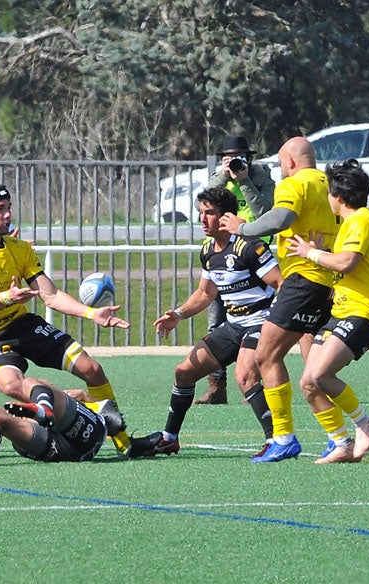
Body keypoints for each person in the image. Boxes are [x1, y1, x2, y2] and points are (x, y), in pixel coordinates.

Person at [0, 183, 150, 458]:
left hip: (25, 325)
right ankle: (92, 409)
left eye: (9, 209)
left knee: (91, 368)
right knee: (10, 385)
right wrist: (9, 296)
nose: (7, 216)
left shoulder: (20, 249)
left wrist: (92, 314)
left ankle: (124, 443)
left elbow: (51, 295)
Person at [134, 187, 281, 457]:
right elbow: (205, 293)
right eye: (200, 213)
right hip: (234, 325)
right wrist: (177, 314)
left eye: (209, 213)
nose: (202, 220)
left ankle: (276, 440)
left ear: (226, 217)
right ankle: (169, 438)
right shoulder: (208, 251)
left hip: (260, 322)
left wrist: (276, 325)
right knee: (184, 372)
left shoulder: (249, 246)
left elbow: (281, 285)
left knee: (244, 376)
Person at [220, 136, 340, 463]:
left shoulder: (293, 183)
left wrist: (243, 228)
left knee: (265, 356)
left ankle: (285, 436)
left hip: (301, 281)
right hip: (326, 280)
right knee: (313, 372)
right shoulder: (329, 185)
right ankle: (341, 434)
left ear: (289, 162)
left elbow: (281, 219)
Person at [285, 159, 369, 463]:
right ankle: (341, 443)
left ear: (338, 197)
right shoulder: (347, 224)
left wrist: (311, 253)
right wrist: (321, 252)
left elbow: (347, 263)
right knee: (307, 382)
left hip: (363, 313)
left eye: (328, 192)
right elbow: (341, 261)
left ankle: (366, 424)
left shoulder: (362, 220)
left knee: (321, 374)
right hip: (340, 313)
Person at [197, 136, 276, 405]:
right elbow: (204, 202)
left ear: (250, 158)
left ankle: (256, 381)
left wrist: (244, 180)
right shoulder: (218, 179)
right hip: (220, 255)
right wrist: (222, 175)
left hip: (253, 255)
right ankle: (216, 387)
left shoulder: (261, 177)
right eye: (229, 158)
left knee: (259, 321)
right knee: (216, 320)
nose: (234, 163)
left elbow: (265, 211)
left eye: (239, 157)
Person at [0, 385, 127, 465]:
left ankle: (42, 410)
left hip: (84, 437)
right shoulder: (46, 397)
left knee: (35, 382)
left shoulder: (70, 397)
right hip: (53, 448)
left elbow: (114, 419)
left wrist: (85, 395)